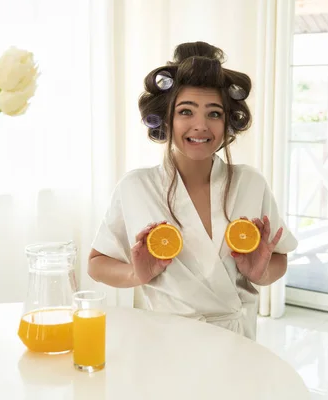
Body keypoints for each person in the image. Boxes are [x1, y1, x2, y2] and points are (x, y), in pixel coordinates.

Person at [88, 41, 298, 340]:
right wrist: (138, 274)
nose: (200, 126)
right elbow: (97, 264)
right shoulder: (136, 187)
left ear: (228, 123)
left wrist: (258, 272)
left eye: (214, 114)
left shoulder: (251, 183)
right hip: (169, 341)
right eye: (186, 111)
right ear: (166, 119)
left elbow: (278, 259)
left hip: (238, 341)